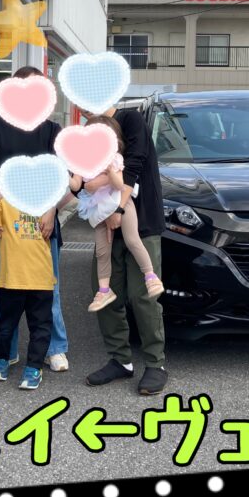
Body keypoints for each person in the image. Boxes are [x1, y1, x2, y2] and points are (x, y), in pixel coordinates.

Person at [0, 66, 69, 373]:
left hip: (43, 223)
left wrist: (52, 209)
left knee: (49, 291)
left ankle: (55, 349)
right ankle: (5, 352)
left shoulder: (51, 130)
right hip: (4, 225)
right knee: (5, 291)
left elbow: (62, 173)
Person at [80, 102, 168, 396]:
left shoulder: (131, 119)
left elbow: (134, 165)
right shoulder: (91, 128)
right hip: (105, 223)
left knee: (143, 296)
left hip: (141, 223)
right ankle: (120, 360)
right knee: (104, 291)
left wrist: (118, 209)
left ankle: (155, 363)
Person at [69, 115, 163, 312]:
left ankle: (151, 277)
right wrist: (67, 177)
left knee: (132, 239)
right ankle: (104, 290)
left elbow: (120, 184)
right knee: (102, 252)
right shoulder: (82, 162)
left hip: (121, 203)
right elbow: (77, 185)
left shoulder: (115, 159)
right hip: (99, 210)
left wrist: (103, 177)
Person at [0, 189, 54, 390]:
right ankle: (1, 360)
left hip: (40, 279)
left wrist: (51, 208)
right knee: (5, 325)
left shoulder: (45, 201)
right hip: (11, 279)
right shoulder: (5, 202)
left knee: (40, 327)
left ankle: (34, 367)